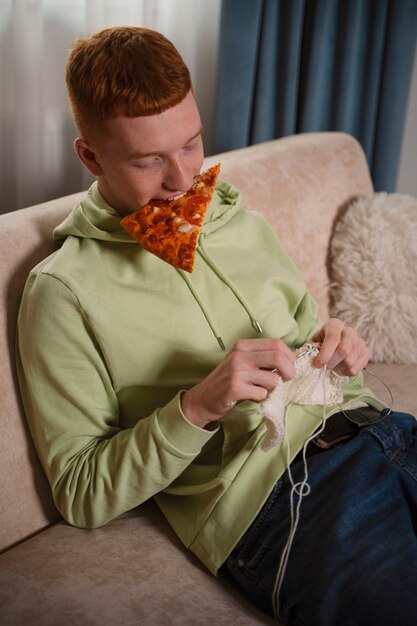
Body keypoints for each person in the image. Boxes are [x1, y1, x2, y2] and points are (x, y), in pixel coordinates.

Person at [16, 26, 417, 626]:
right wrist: (197, 407)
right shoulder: (60, 292)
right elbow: (81, 493)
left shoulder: (242, 221)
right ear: (90, 157)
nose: (182, 181)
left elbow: (310, 334)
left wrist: (337, 342)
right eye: (150, 160)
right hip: (288, 503)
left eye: (192, 144)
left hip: (387, 433)